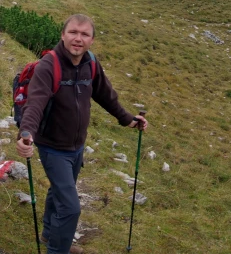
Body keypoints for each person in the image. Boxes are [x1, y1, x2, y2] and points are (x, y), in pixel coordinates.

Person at [16, 14, 149, 254]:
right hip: (52, 147)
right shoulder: (49, 65)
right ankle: (58, 250)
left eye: (84, 34)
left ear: (92, 40)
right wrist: (25, 133)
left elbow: (105, 95)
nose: (78, 38)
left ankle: (49, 233)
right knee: (70, 207)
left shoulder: (91, 63)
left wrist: (128, 119)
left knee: (59, 191)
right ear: (63, 35)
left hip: (76, 146)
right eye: (73, 32)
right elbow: (34, 104)